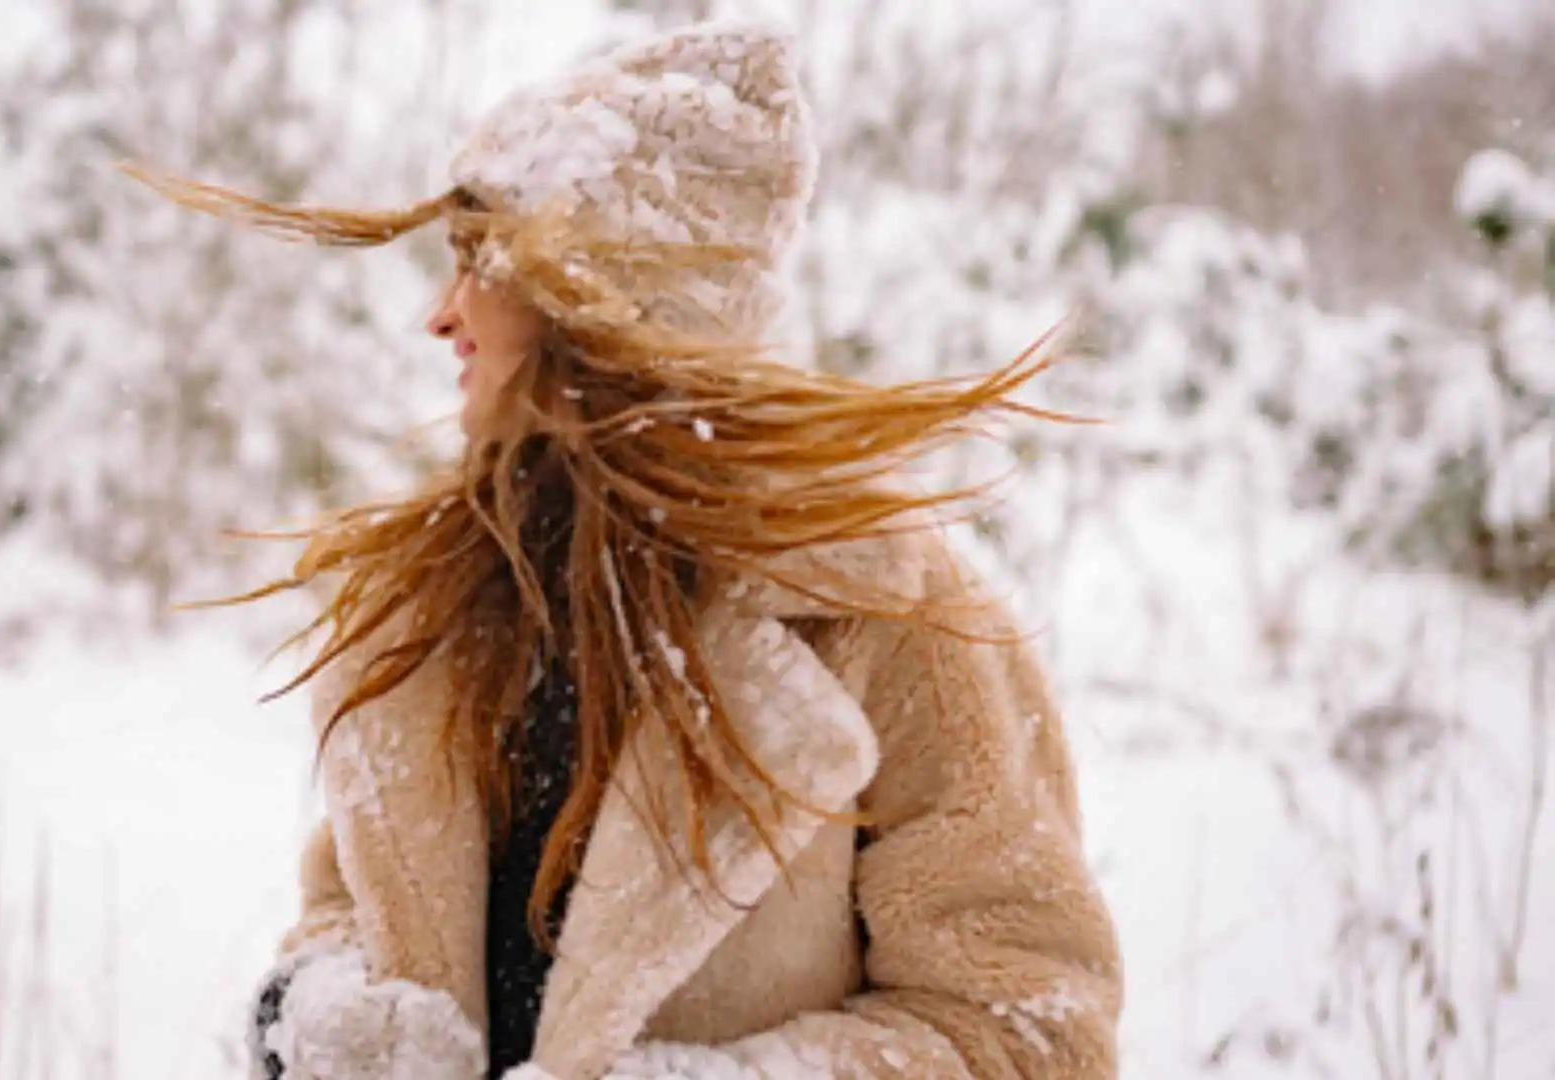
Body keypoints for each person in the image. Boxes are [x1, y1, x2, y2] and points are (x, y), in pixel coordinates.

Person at [130, 20, 1121, 1080]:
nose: (441, 314)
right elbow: (345, 906)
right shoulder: (441, 605)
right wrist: (327, 1016)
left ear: (609, 295)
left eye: (480, 264)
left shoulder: (883, 613)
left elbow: (1029, 1029)